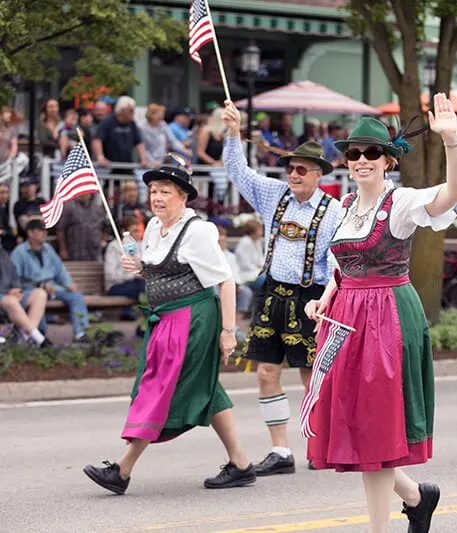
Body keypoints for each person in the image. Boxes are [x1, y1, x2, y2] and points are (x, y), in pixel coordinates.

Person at [302, 95, 457, 533]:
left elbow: (455, 193)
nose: (361, 160)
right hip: (345, 320)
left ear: (388, 160)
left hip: (387, 319)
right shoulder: (342, 209)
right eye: (354, 153)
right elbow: (340, 269)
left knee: (374, 433)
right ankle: (416, 497)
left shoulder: (403, 203)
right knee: (356, 428)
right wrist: (325, 296)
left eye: (372, 153)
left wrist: (450, 141)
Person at [82, 156, 256, 494]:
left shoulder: (199, 231)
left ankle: (122, 469)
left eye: (165, 191)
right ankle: (241, 463)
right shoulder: (152, 227)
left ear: (183, 196)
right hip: (163, 319)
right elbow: (156, 272)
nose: (157, 197)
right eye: (153, 191)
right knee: (204, 388)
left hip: (193, 319)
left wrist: (228, 332)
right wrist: (138, 266)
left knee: (162, 389)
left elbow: (227, 281)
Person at [221, 101, 342, 476]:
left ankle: (320, 444)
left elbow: (339, 263)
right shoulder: (274, 195)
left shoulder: (334, 211)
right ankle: (280, 451)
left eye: (301, 169)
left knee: (310, 375)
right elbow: (237, 172)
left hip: (310, 299)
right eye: (290, 167)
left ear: (318, 174)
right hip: (272, 293)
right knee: (265, 372)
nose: (293, 173)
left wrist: (327, 303)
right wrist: (232, 133)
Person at [11, 219, 91, 343]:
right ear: (30, 233)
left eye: (45, 230)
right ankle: (37, 335)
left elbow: (60, 270)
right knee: (38, 298)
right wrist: (41, 285)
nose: (44, 233)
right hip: (30, 290)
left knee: (76, 296)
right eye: (40, 230)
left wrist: (69, 284)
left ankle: (81, 333)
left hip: (53, 288)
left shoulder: (48, 248)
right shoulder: (19, 253)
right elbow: (15, 279)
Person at [0, 247, 50, 346]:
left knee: (40, 294)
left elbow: (14, 275)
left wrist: (17, 289)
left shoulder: (3, 253)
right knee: (11, 301)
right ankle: (40, 340)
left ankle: (27, 338)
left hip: (9, 294)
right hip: (4, 296)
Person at [105, 217, 146, 321]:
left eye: (139, 231)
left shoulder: (141, 246)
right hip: (116, 287)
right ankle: (145, 324)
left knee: (147, 286)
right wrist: (132, 276)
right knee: (143, 288)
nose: (137, 234)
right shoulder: (114, 247)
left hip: (136, 284)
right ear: (125, 232)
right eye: (134, 231)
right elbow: (111, 275)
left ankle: (130, 314)